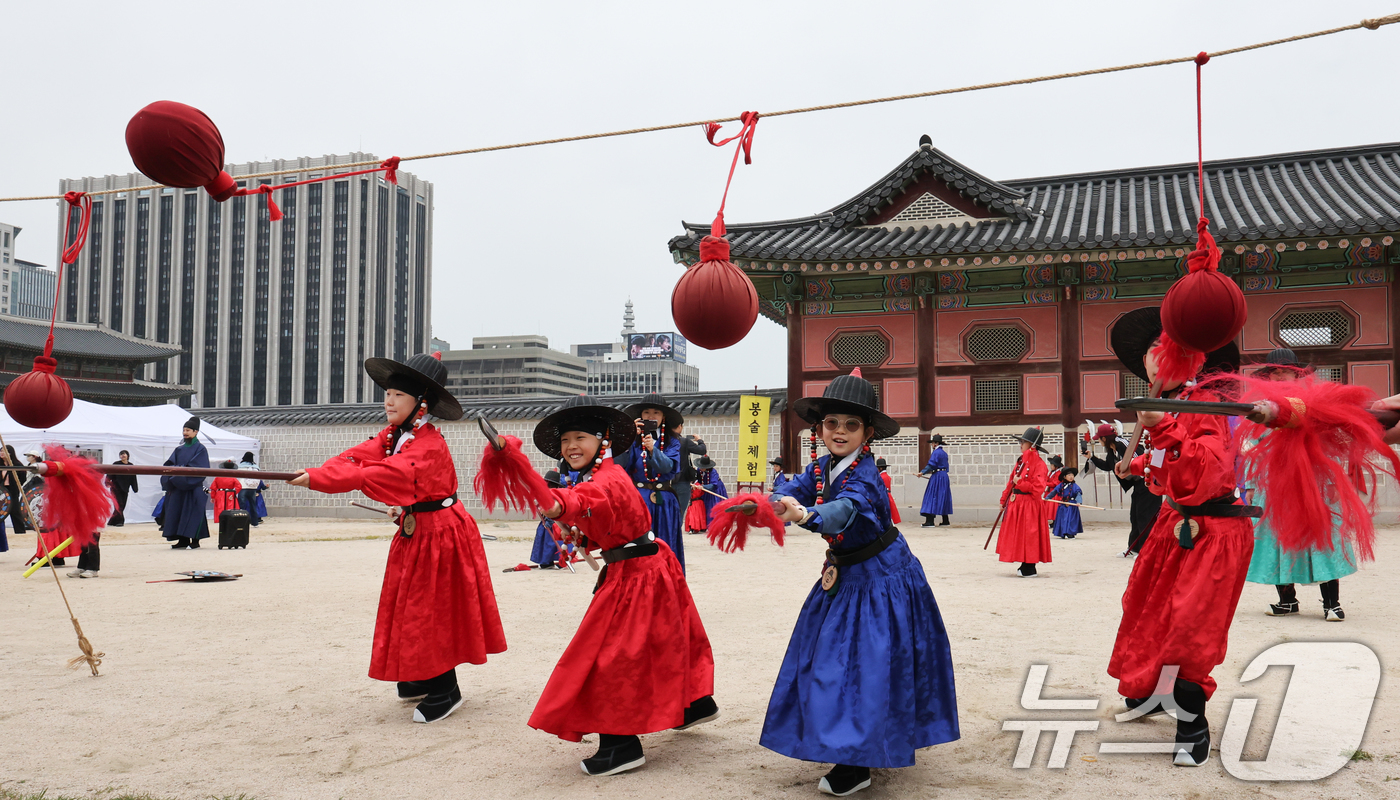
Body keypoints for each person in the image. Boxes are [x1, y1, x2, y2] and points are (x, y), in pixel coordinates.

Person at [766, 368, 959, 796]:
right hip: (845, 575)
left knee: (866, 667)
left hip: (881, 580)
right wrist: (765, 503)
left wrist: (805, 514)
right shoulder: (821, 467)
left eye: (851, 425)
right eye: (832, 423)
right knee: (829, 660)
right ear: (819, 428)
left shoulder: (866, 476)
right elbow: (792, 488)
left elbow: (845, 510)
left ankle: (856, 762)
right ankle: (845, 742)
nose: (840, 431)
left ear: (867, 433)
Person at [290, 353, 506, 724]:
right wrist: (318, 473)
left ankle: (446, 688)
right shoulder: (394, 436)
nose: (388, 401)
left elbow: (379, 474)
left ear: (421, 403)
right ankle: (420, 674)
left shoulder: (427, 445)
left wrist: (321, 479)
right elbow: (356, 458)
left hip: (442, 533)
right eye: (387, 393)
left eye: (397, 395)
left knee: (432, 609)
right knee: (408, 604)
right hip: (418, 529)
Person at [530, 394, 717, 776]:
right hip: (644, 567)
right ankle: (693, 704)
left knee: (609, 658)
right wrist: (582, 533)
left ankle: (621, 745)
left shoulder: (606, 479)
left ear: (602, 440)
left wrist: (553, 503)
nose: (571, 446)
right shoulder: (603, 474)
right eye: (565, 440)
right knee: (665, 643)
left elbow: (582, 500)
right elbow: (602, 516)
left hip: (638, 576)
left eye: (580, 437)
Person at [1106, 306, 1255, 768]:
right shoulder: (1169, 404)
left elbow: (1207, 474)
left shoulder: (1207, 405)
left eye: (1166, 347)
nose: (1155, 356)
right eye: (1151, 349)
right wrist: (1136, 465)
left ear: (1195, 359)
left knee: (1192, 627)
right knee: (1148, 611)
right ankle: (1151, 691)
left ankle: (1192, 722)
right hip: (1172, 525)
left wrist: (1164, 427)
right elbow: (1165, 469)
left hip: (1213, 530)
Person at [1244, 348, 1353, 621]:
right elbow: (1253, 449)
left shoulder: (1315, 402)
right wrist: (1250, 484)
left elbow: (1329, 443)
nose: (1280, 375)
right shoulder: (1262, 407)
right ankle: (1287, 601)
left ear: (1297, 374)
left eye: (1286, 370)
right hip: (1272, 483)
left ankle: (1332, 603)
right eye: (1274, 371)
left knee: (1321, 536)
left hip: (1312, 478)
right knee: (1275, 538)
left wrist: (1332, 480)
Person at [616, 393, 686, 571]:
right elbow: (619, 466)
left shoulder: (672, 442)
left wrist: (653, 450)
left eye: (656, 412)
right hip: (638, 499)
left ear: (663, 417)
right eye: (646, 412)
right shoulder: (632, 440)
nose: (651, 416)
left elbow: (668, 467)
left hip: (664, 499)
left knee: (665, 543)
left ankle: (667, 580)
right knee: (639, 544)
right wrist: (629, 438)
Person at [1088, 422, 1162, 557]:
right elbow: (1108, 466)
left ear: (1104, 438)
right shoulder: (1112, 450)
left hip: (1148, 482)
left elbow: (1140, 458)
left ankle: (1147, 551)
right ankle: (1134, 548)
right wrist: (1091, 458)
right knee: (1135, 516)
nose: (1098, 441)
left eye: (1099, 438)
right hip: (1139, 485)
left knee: (1146, 517)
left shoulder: (1122, 444)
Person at [995, 428, 1053, 577]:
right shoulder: (1021, 462)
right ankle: (1024, 562)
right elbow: (1011, 482)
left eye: (1023, 442)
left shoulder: (1039, 465)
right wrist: (1004, 499)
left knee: (1029, 535)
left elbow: (1038, 489)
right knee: (1018, 534)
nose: (1020, 444)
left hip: (1030, 504)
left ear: (1032, 445)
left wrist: (1021, 483)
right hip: (1017, 503)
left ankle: (1029, 566)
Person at [161, 418, 211, 549]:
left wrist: (179, 474)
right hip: (178, 486)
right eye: (183, 430)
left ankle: (195, 541)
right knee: (177, 512)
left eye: (188, 430)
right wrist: (174, 475)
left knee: (194, 513)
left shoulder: (201, 449)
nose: (185, 433)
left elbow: (199, 466)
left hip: (193, 486)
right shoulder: (179, 449)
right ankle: (182, 540)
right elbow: (169, 464)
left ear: (195, 432)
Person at [530, 470, 576, 569]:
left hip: (558, 522)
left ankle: (563, 560)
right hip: (547, 522)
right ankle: (547, 562)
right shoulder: (545, 493)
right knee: (546, 542)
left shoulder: (557, 494)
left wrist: (551, 520)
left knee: (559, 541)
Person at [683, 455, 727, 533]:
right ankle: (703, 526)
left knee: (712, 507)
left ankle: (714, 526)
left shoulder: (713, 472)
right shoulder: (699, 470)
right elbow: (696, 479)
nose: (701, 468)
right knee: (704, 507)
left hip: (714, 490)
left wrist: (703, 486)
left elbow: (713, 485)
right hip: (704, 491)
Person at [673, 425, 708, 522]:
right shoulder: (684, 441)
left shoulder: (662, 441)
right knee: (679, 515)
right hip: (682, 482)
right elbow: (702, 450)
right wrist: (699, 440)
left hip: (665, 483)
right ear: (679, 426)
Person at [917, 434, 952, 527]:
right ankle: (945, 520)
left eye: (932, 443)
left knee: (932, 496)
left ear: (936, 443)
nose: (932, 445)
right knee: (943, 496)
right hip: (944, 476)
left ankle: (930, 521)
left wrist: (922, 472)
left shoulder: (936, 453)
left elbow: (931, 465)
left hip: (937, 476)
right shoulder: (944, 453)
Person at [1046, 467, 1083, 539]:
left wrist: (1079, 502)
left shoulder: (1075, 486)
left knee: (1071, 520)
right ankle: (1062, 533)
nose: (1071, 477)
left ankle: (1070, 534)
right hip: (1063, 504)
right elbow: (1054, 491)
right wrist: (1047, 498)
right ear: (1064, 477)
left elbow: (1078, 494)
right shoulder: (1061, 485)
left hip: (1071, 505)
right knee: (1062, 519)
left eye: (1072, 475)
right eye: (1069, 475)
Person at [106, 450, 138, 527]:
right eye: (121, 454)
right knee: (119, 504)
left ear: (127, 455)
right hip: (115, 488)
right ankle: (120, 521)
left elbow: (133, 477)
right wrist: (107, 482)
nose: (122, 456)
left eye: (124, 454)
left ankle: (112, 521)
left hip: (125, 488)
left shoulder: (131, 465)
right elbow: (110, 473)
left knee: (122, 505)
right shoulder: (116, 464)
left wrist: (135, 487)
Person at [4, 444, 27, 535]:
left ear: (10, 453)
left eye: (4, 451)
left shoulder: (16, 464)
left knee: (15, 511)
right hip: (2, 489)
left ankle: (20, 531)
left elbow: (23, 476)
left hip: (12, 489)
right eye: (1, 451)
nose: (1, 453)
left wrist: (17, 485)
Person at [239, 451, 264, 527]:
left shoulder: (241, 466)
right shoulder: (255, 467)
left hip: (243, 487)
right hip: (253, 488)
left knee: (242, 506)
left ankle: (242, 522)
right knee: (253, 505)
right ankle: (255, 523)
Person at [876, 457, 901, 524]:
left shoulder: (881, 477)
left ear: (880, 468)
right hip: (888, 495)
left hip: (884, 495)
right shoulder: (886, 476)